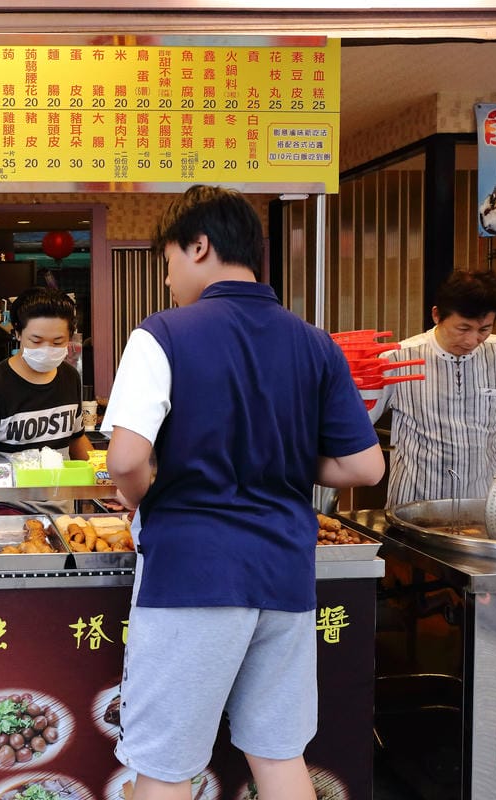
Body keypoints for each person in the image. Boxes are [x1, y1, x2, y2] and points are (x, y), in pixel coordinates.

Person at [101, 185, 384, 800]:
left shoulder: (162, 333)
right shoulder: (314, 342)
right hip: (284, 572)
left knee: (167, 768)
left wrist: (139, 493)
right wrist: (276, 456)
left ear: (199, 246)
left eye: (169, 260)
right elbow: (365, 467)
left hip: (191, 576)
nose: (169, 278)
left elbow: (124, 457)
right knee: (279, 757)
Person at [372, 270, 496, 506]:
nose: (472, 341)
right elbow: (360, 420)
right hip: (415, 502)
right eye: (463, 328)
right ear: (437, 315)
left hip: (484, 501)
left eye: (484, 330)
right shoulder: (398, 358)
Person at [0, 287, 92, 514]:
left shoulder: (70, 378)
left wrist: (104, 478)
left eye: (58, 342)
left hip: (62, 510)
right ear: (18, 333)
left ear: (70, 336)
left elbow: (77, 440)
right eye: (36, 341)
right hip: (9, 511)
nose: (47, 349)